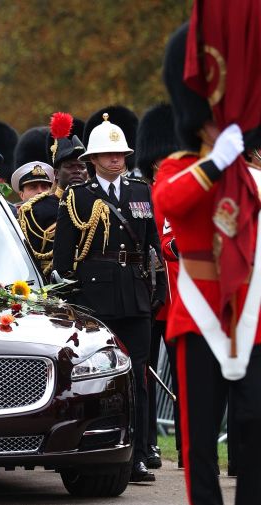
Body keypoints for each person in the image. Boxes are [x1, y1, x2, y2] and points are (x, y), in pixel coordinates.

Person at [153, 22, 261, 505]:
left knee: (254, 426)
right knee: (198, 444)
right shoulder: (178, 167)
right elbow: (170, 202)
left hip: (251, 317)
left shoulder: (253, 176)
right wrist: (216, 165)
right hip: (199, 320)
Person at [53, 112, 164, 483]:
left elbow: (152, 247)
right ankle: (100, 448)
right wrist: (73, 301)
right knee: (100, 378)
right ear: (94, 159)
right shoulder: (78, 197)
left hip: (135, 294)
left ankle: (140, 454)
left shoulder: (140, 191)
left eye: (120, 154)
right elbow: (63, 260)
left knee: (138, 376)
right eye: (108, 154)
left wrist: (157, 291)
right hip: (96, 296)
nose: (116, 159)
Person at [136, 102, 181, 471]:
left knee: (185, 377)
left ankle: (187, 445)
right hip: (150, 297)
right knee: (146, 374)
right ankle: (148, 443)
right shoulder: (142, 195)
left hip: (177, 297)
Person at [12, 161, 56, 275]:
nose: (40, 191)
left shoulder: (61, 211)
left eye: (45, 187)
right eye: (33, 187)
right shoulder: (13, 220)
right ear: (21, 195)